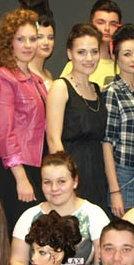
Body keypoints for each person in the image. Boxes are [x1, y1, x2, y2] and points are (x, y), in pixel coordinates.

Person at [0, 8, 46, 225]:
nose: (28, 45)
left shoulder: (36, 80)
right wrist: (21, 177)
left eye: (33, 39)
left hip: (33, 167)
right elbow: (3, 133)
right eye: (20, 39)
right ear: (8, 42)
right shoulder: (2, 77)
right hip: (11, 170)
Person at [46, 23, 108, 209]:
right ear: (69, 53)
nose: (89, 58)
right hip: (72, 175)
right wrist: (66, 179)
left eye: (94, 52)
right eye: (81, 52)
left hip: (98, 174)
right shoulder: (60, 87)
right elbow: (53, 139)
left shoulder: (97, 89)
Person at [102, 23, 134, 215]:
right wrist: (115, 190)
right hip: (124, 174)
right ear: (115, 56)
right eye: (127, 54)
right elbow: (106, 144)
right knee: (126, 228)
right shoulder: (112, 91)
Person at [58, 0, 122, 87]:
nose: (107, 28)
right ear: (91, 24)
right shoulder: (75, 65)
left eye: (113, 24)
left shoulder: (123, 66)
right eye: (101, 22)